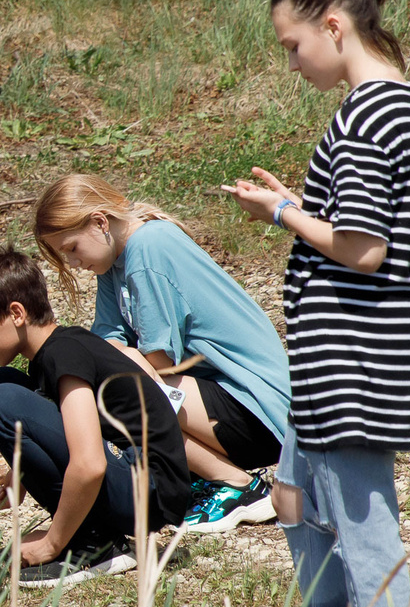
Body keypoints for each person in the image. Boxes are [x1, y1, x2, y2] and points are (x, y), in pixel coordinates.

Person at [222, 0, 410, 607]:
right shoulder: (390, 108)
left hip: (355, 352)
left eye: (293, 45)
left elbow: (363, 247)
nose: (292, 63)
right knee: (297, 504)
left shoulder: (372, 111)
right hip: (331, 352)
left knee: (362, 526)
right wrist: (297, 200)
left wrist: (280, 215)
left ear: (334, 26)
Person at [34, 173, 290, 533]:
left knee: (116, 389)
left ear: (100, 222)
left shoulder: (148, 249)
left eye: (72, 248)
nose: (73, 262)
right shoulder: (116, 259)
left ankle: (240, 487)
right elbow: (103, 341)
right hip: (216, 399)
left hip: (257, 409)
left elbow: (158, 359)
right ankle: (203, 478)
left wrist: (122, 359)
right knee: (107, 376)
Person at [0, 248, 195, 586]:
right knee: (3, 384)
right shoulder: (58, 349)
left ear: (16, 313)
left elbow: (90, 462)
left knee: (1, 399)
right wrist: (21, 467)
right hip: (137, 482)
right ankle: (93, 535)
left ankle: (93, 545)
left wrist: (52, 543)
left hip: (146, 492)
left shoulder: (63, 355)